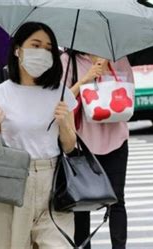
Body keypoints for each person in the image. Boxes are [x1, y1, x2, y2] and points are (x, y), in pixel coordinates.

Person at [0, 22, 78, 248]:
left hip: (53, 181)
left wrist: (64, 123)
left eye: (48, 48)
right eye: (36, 45)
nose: (42, 52)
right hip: (10, 181)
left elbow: (71, 146)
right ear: (17, 50)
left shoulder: (61, 94)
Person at [61, 50, 133, 249]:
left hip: (116, 138)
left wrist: (106, 75)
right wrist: (87, 78)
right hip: (81, 142)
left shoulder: (118, 57)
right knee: (81, 204)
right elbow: (61, 100)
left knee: (117, 200)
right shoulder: (68, 61)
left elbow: (129, 90)